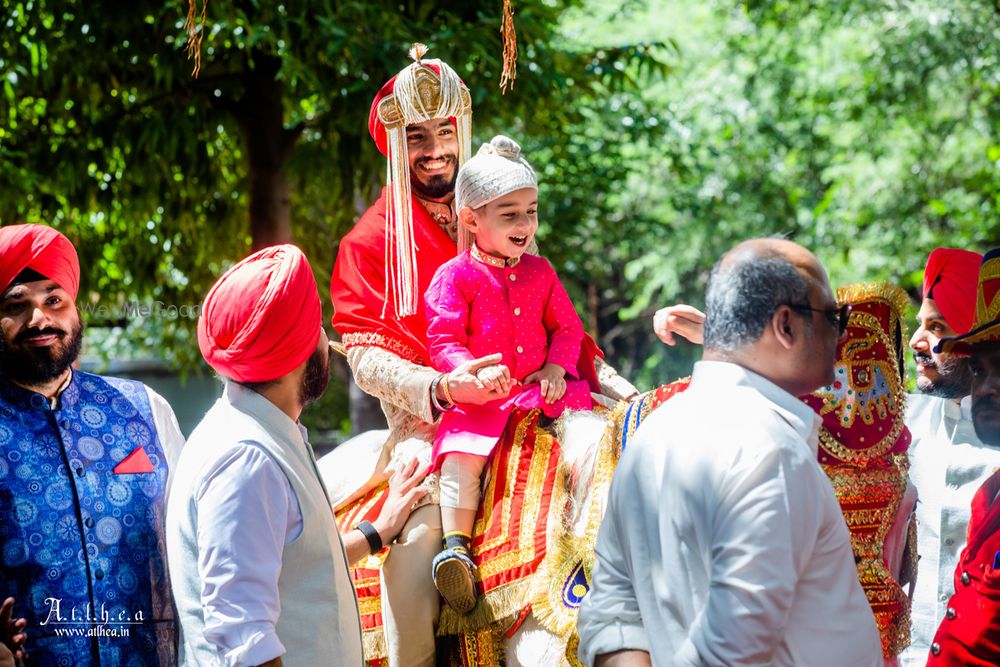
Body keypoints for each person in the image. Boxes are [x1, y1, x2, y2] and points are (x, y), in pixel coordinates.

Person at [329, 46, 637, 665]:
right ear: (395, 144)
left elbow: (564, 328)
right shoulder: (369, 241)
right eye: (417, 136)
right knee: (411, 567)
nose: (436, 148)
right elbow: (365, 357)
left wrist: (622, 390)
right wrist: (445, 388)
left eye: (446, 131)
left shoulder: (502, 208)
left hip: (537, 400)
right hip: (436, 423)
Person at [578, 238, 882, 666]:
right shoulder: (769, 452)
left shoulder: (652, 435)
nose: (842, 333)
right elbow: (732, 649)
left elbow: (612, 612)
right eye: (834, 317)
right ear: (786, 326)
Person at [166, 244, 427, 667]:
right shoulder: (247, 459)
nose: (328, 340)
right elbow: (244, 638)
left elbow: (293, 567)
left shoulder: (258, 432)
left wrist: (378, 530)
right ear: (300, 351)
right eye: (318, 327)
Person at [0, 224, 183, 666]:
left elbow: (194, 539)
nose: (39, 319)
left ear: (75, 309)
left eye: (53, 300)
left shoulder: (144, 408)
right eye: (16, 305)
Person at [424, 135, 593, 614]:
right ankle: (455, 549)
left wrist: (556, 368)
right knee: (462, 456)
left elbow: (568, 328)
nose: (525, 224)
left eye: (531, 211)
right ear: (472, 219)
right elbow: (443, 339)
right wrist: (467, 373)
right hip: (483, 403)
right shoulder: (454, 276)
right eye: (510, 213)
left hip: (542, 397)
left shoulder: (541, 271)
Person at [900, 247, 1000, 665]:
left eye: (937, 326)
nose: (917, 342)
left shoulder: (991, 422)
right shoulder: (898, 423)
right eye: (919, 325)